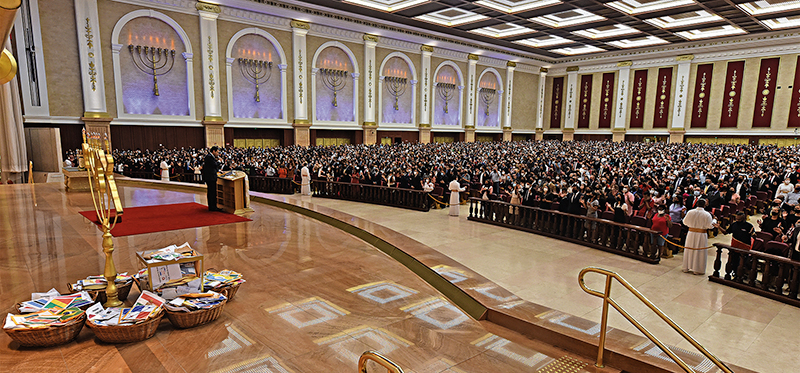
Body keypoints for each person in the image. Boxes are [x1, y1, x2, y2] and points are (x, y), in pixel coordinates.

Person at [682, 199, 714, 275]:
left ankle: (686, 267)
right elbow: (710, 226)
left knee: (689, 249)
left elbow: (684, 222)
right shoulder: (707, 214)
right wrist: (714, 221)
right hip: (701, 234)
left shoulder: (690, 212)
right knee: (699, 251)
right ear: (705, 205)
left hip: (691, 233)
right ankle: (697, 269)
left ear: (696, 204)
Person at [203, 146, 221, 212]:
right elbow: (214, 165)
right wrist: (219, 161)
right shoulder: (209, 157)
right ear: (213, 151)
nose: (218, 154)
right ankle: (212, 207)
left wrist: (218, 170)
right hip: (210, 177)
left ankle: (212, 206)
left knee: (212, 192)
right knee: (212, 192)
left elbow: (212, 167)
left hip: (210, 177)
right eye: (217, 152)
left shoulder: (210, 157)